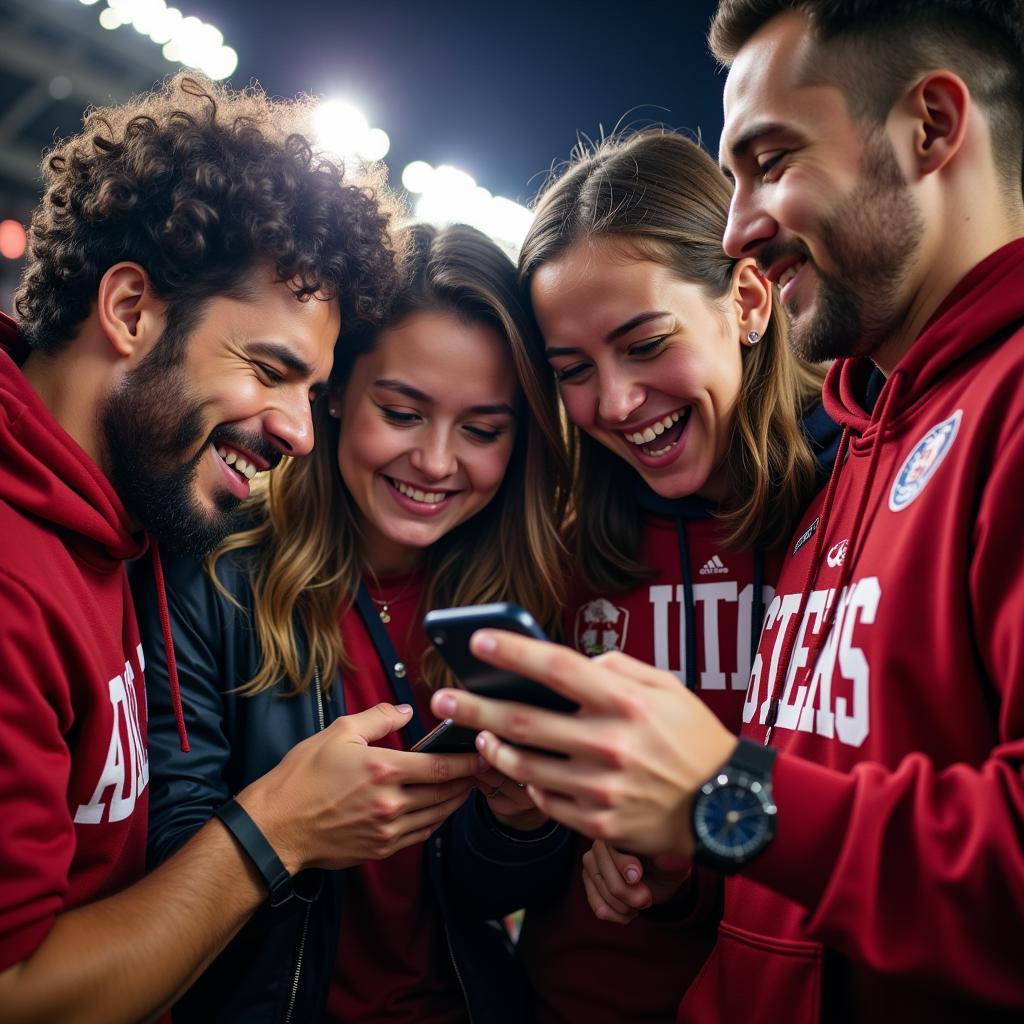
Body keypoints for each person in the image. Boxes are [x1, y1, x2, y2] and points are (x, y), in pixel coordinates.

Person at [431, 2, 1024, 1021]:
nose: (738, 222)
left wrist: (724, 795)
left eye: (769, 158)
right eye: (574, 368)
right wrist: (686, 857)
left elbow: (796, 816)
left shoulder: (967, 416)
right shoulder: (861, 449)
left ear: (931, 125)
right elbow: (810, 851)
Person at [0, 71, 408, 1023]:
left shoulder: (130, 514)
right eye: (270, 370)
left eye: (315, 391)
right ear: (132, 311)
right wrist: (279, 826)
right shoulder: (14, 578)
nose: (301, 432)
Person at [136, 222, 573, 1022]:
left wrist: (520, 821)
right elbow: (169, 860)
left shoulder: (520, 590)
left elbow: (486, 895)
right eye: (402, 413)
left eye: (482, 430)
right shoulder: (214, 564)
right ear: (333, 390)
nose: (437, 462)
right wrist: (295, 825)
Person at [502, 128, 835, 1024]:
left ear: (751, 300)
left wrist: (706, 835)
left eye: (646, 343)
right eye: (573, 369)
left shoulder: (849, 507)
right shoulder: (559, 539)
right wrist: (542, 830)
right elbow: (503, 851)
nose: (613, 402)